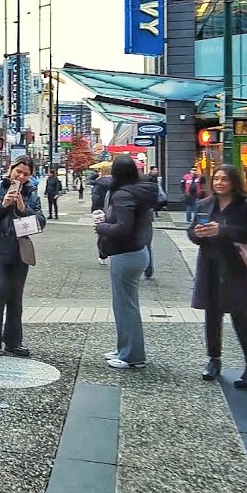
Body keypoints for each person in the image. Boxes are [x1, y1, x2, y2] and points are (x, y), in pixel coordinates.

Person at [189, 165, 247, 389]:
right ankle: (214, 360)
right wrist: (198, 234)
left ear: (234, 182)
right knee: (212, 315)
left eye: (225, 179)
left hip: (237, 267)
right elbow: (192, 231)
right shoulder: (205, 204)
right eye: (217, 179)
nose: (220, 183)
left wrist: (222, 230)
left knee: (240, 315)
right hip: (210, 265)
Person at [0, 156, 45, 358]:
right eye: (18, 172)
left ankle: (13, 342)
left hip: (19, 250)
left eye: (26, 174)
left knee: (15, 296)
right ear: (11, 169)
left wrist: (24, 208)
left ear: (30, 176)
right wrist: (2, 204)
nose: (21, 176)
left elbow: (40, 222)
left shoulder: (31, 194)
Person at [95, 156, 161, 369]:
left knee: (125, 307)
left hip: (126, 254)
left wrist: (102, 227)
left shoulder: (123, 195)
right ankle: (124, 348)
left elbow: (123, 228)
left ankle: (132, 356)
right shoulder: (141, 190)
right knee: (125, 305)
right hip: (137, 251)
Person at [144, 166, 168, 280]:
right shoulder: (150, 186)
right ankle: (148, 269)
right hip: (146, 219)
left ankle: (146, 269)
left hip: (143, 219)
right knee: (146, 245)